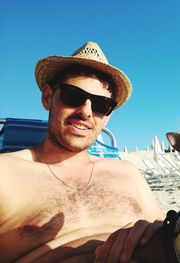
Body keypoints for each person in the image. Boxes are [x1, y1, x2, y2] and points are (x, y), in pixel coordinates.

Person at [0, 41, 164, 262]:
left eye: (100, 105)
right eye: (73, 96)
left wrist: (157, 232)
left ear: (107, 116)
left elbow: (169, 233)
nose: (85, 112)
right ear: (48, 97)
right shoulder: (6, 172)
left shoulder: (127, 171)